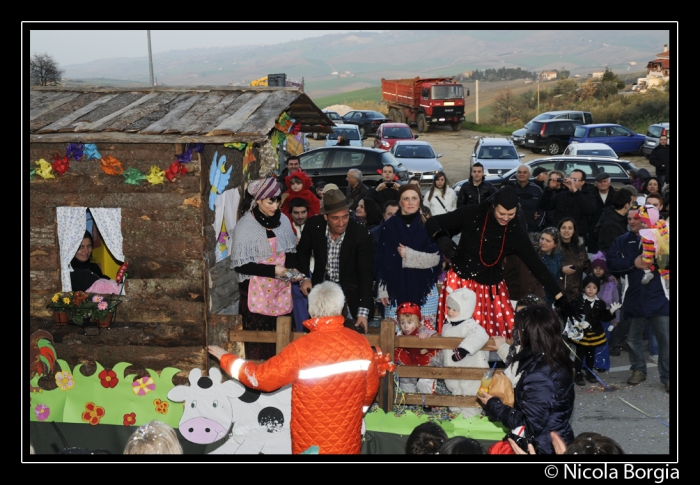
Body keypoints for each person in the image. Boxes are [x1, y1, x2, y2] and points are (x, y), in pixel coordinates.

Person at [208, 281, 380, 454]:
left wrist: (227, 359)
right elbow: (371, 388)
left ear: (311, 310)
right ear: (341, 307)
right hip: (347, 439)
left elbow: (261, 378)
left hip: (310, 444)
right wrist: (359, 413)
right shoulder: (361, 343)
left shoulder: (300, 349)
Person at [425, 186, 569, 338]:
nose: (505, 218)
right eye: (502, 213)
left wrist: (560, 298)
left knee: (492, 337)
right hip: (460, 284)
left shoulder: (515, 234)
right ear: (493, 206)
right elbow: (432, 222)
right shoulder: (473, 213)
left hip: (491, 290)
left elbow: (537, 267)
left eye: (510, 214)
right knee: (455, 337)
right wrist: (441, 236)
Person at [477, 305, 575, 455]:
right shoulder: (553, 356)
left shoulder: (540, 376)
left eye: (519, 330)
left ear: (530, 334)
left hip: (541, 447)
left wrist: (493, 404)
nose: (516, 334)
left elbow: (528, 425)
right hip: (553, 440)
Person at [230, 178, 301, 360]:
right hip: (255, 294)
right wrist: (274, 270)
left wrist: (294, 273)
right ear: (259, 200)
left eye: (278, 201)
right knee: (259, 346)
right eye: (271, 201)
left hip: (280, 291)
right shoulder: (245, 226)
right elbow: (240, 264)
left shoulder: (283, 221)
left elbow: (291, 253)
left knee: (283, 342)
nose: (275, 206)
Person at [293, 187, 375, 334]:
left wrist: (363, 313)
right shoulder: (313, 226)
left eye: (345, 216)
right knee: (319, 333)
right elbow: (302, 253)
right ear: (325, 217)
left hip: (351, 291)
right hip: (322, 287)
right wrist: (304, 278)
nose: (341, 222)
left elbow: (366, 275)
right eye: (335, 218)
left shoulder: (361, 234)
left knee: (351, 336)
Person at [607, 205, 670, 393]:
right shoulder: (622, 241)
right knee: (633, 339)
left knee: (665, 339)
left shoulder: (662, 236)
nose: (633, 221)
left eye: (636, 218)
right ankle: (638, 370)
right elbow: (612, 263)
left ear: (645, 219)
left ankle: (667, 377)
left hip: (660, 297)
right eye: (629, 219)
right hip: (634, 297)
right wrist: (632, 263)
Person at [375, 184, 442, 327]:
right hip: (394, 290)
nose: (411, 202)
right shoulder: (388, 227)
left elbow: (436, 258)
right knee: (394, 336)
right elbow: (381, 260)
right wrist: (382, 289)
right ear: (400, 202)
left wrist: (409, 255)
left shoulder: (429, 225)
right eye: (406, 198)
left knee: (425, 336)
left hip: (425, 289)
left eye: (414, 198)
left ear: (420, 201)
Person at [440, 287, 490, 416]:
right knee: (455, 390)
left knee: (470, 392)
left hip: (471, 367)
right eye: (449, 308)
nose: (450, 311)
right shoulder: (448, 325)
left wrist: (464, 349)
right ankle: (456, 415)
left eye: (455, 309)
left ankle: (471, 416)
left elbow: (481, 335)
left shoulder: (470, 325)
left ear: (465, 309)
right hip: (453, 369)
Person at [570, 274, 621, 386]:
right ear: (584, 288)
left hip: (594, 333)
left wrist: (611, 312)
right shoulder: (578, 301)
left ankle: (589, 371)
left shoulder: (600, 303)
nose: (591, 290)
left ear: (597, 289)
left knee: (591, 353)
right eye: (588, 287)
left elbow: (604, 317)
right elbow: (571, 315)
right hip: (581, 334)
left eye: (594, 288)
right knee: (580, 354)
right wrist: (579, 323)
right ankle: (578, 373)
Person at [538, 169, 596, 243]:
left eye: (575, 179)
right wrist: (549, 189)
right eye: (571, 178)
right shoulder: (562, 194)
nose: (571, 181)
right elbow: (544, 206)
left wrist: (575, 191)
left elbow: (590, 210)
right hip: (559, 235)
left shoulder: (589, 195)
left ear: (582, 182)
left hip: (577, 235)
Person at [394, 301, 439, 394]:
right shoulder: (400, 334)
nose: (406, 326)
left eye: (409, 323)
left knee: (425, 382)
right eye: (402, 323)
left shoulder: (423, 330)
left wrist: (426, 339)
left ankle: (428, 402)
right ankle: (410, 399)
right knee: (405, 380)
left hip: (424, 363)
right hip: (409, 363)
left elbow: (436, 338)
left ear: (417, 322)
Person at [589, 256, 621, 364]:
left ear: (605, 270)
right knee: (590, 341)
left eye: (601, 268)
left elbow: (616, 301)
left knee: (603, 341)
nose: (598, 270)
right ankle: (589, 361)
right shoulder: (588, 282)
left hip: (606, 316)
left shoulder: (610, 284)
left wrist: (616, 318)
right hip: (591, 316)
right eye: (596, 268)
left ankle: (601, 363)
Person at [558, 217, 590, 302]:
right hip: (556, 293)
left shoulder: (580, 247)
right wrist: (560, 269)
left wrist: (604, 274)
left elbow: (587, 266)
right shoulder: (553, 246)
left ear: (574, 230)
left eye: (570, 228)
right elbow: (545, 266)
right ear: (559, 229)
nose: (566, 231)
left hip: (575, 294)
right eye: (564, 227)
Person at [637, 205, 670, 284]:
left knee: (648, 260)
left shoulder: (649, 231)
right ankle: (665, 278)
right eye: (642, 223)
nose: (643, 225)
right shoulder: (662, 224)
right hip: (661, 251)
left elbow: (647, 248)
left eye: (645, 223)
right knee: (658, 263)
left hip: (658, 251)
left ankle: (650, 272)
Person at [595, 189, 635, 254]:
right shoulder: (609, 224)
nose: (632, 205)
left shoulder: (625, 218)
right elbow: (618, 246)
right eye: (632, 203)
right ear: (626, 205)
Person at [507, 165, 544, 233]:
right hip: (512, 229)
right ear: (516, 174)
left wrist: (538, 225)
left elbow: (542, 208)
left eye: (524, 172)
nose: (522, 174)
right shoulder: (510, 188)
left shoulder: (537, 189)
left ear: (529, 175)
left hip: (532, 229)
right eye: (519, 172)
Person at [587, 172, 616, 256]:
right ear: (596, 184)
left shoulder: (615, 196)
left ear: (609, 182)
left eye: (605, 181)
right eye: (600, 182)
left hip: (610, 232)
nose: (603, 183)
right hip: (593, 232)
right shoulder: (590, 195)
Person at [537, 227, 563, 306]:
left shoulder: (558, 257)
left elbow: (556, 279)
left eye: (548, 241)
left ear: (555, 244)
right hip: (538, 298)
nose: (543, 242)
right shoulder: (535, 255)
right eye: (542, 238)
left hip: (551, 299)